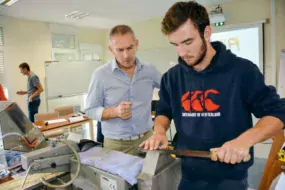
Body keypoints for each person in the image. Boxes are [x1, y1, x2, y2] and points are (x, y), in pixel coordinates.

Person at [140, 1, 285, 190]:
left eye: (188, 42)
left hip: (230, 178)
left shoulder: (242, 71)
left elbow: (278, 113)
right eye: (175, 44)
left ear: (207, 33)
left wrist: (244, 141)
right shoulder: (172, 78)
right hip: (187, 174)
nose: (182, 52)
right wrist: (160, 131)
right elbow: (164, 110)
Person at [85, 25, 162, 156]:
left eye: (130, 48)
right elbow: (90, 110)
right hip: (116, 145)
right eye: (120, 50)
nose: (126, 55)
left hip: (148, 140)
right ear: (111, 49)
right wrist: (114, 112)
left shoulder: (150, 70)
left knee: (150, 176)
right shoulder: (100, 75)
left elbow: (169, 89)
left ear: (136, 44)